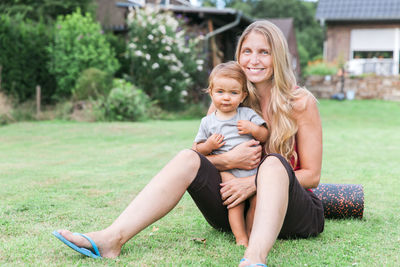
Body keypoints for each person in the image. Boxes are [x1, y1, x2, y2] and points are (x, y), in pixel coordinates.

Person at [53, 20, 324, 267]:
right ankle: (111, 239)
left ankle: (253, 259)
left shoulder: (301, 102)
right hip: (235, 211)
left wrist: (251, 183)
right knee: (187, 156)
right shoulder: (228, 100)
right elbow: (203, 157)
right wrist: (229, 162)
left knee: (274, 162)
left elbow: (312, 176)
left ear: (277, 56)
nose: (254, 60)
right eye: (247, 51)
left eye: (264, 52)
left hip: (293, 213)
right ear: (238, 55)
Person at [193, 61, 268, 247]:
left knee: (257, 201)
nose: (226, 98)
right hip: (227, 173)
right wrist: (208, 145)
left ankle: (252, 233)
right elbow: (197, 151)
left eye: (233, 93)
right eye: (220, 92)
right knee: (234, 203)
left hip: (252, 171)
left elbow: (265, 134)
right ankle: (240, 237)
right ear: (211, 92)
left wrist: (253, 128)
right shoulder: (207, 122)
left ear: (243, 96)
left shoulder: (246, 114)